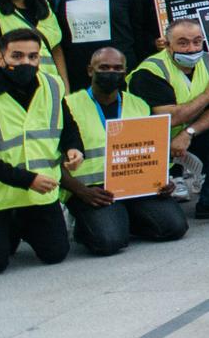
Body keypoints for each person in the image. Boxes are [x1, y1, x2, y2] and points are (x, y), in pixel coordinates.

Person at [0, 29, 76, 275]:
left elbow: (69, 125)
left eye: (33, 57)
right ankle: (5, 227)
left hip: (39, 195)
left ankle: (21, 226)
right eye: (17, 56)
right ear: (0, 58)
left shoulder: (52, 84)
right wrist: (28, 180)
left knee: (56, 254)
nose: (26, 63)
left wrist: (74, 148)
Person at [60, 46, 187, 255]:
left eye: (118, 68)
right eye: (104, 67)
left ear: (125, 72)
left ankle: (121, 219)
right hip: (92, 190)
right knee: (109, 243)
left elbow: (150, 151)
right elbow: (54, 157)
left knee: (174, 227)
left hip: (135, 186)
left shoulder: (139, 105)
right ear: (90, 70)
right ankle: (88, 226)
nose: (111, 72)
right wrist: (80, 191)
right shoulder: (69, 105)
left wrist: (162, 180)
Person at [130, 18, 209, 219]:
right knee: (164, 221)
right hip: (152, 143)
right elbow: (169, 117)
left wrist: (189, 133)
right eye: (182, 43)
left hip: (190, 134)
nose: (192, 49)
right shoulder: (150, 71)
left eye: (197, 41)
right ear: (166, 44)